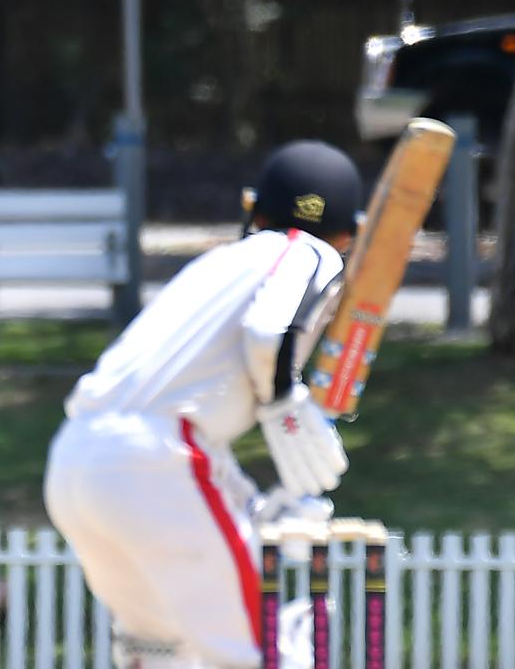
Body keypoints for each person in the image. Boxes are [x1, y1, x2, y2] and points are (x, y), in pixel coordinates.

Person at [43, 140, 361, 668]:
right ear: (348, 233)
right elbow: (268, 333)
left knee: (163, 654)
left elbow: (169, 409)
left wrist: (247, 503)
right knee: (260, 656)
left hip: (75, 463)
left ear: (252, 210)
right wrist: (285, 402)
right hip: (157, 467)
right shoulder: (312, 253)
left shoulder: (216, 265)